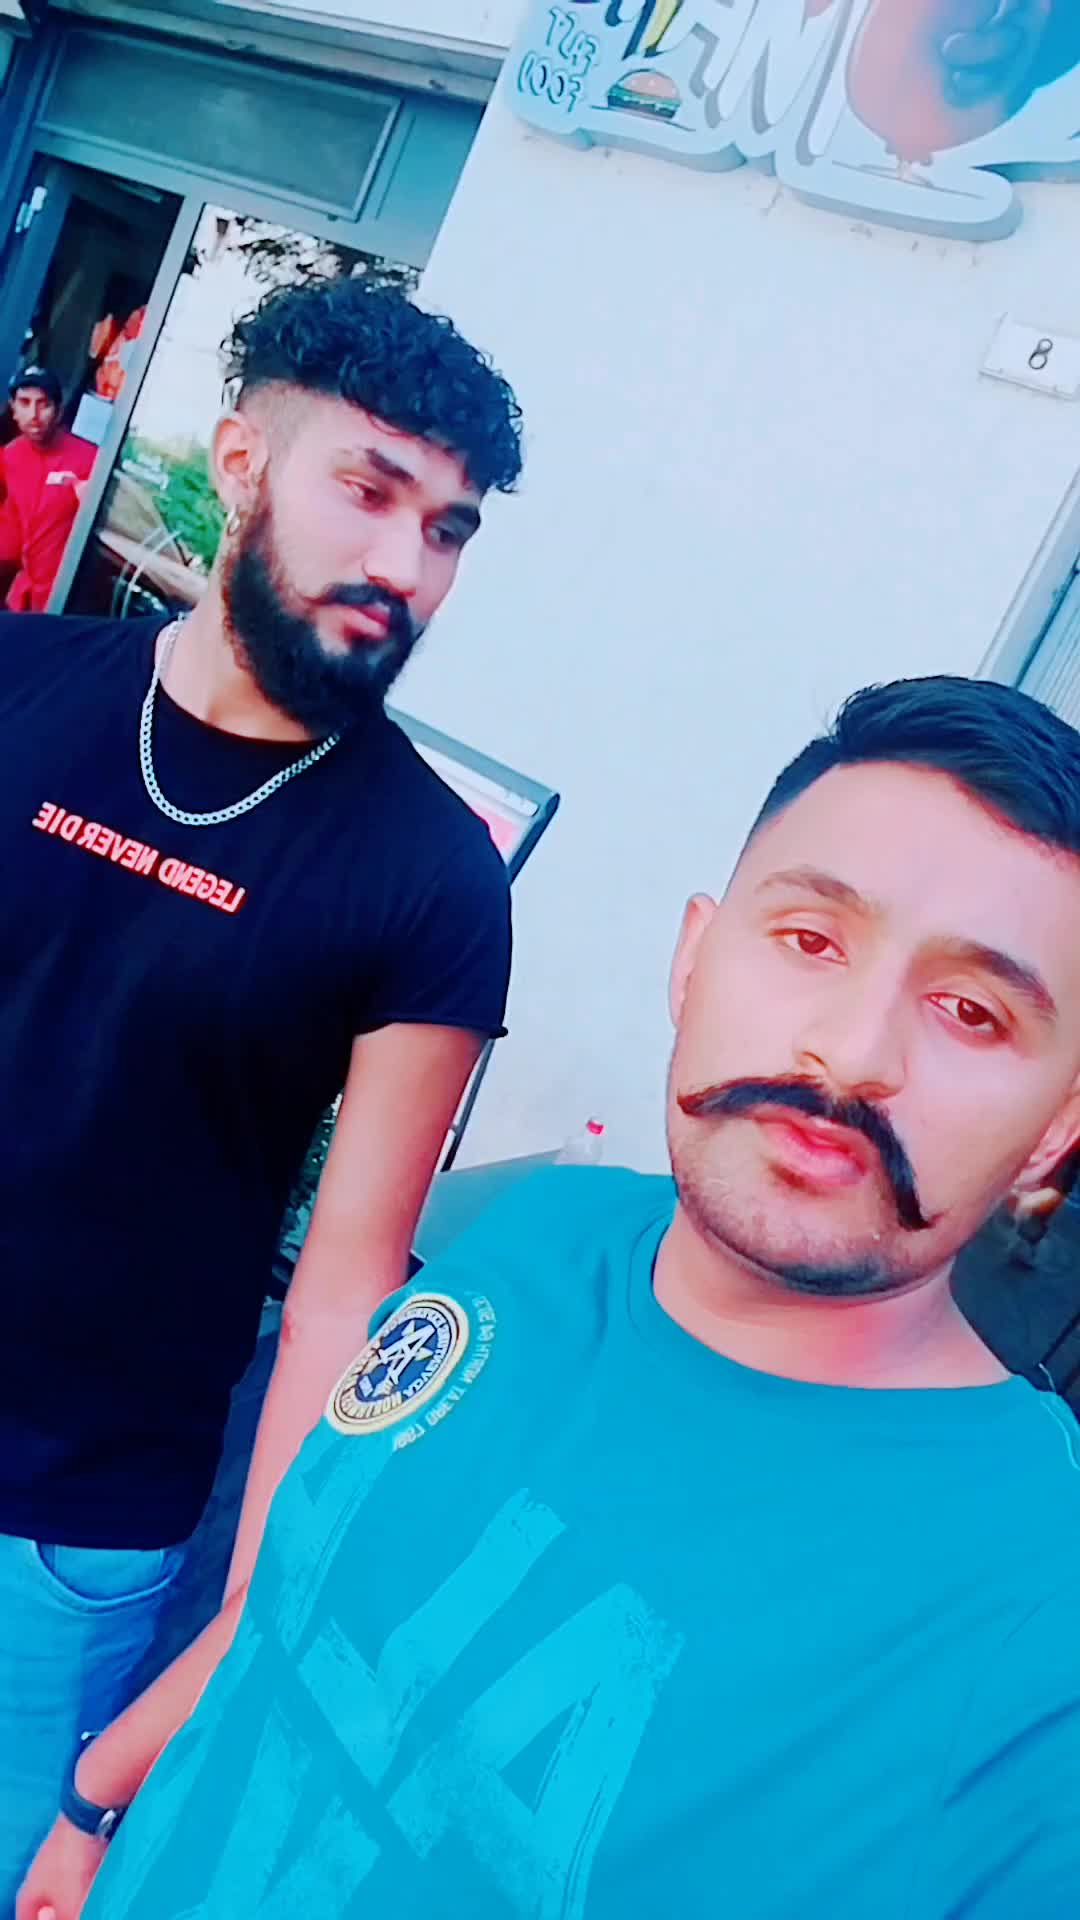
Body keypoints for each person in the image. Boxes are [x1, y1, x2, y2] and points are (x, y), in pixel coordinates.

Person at [21, 674, 1080, 1919]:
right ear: (694, 959)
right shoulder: (531, 1234)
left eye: (970, 1011)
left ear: (1057, 1130)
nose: (850, 1053)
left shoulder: (1033, 1626)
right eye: (811, 940)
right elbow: (297, 1604)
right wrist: (96, 1801)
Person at [0, 277, 523, 1905]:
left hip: (71, 1531)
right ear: (241, 465)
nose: (405, 565)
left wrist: (240, 1627)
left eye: (446, 530)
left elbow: (344, 1289)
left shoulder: (432, 877)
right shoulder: (19, 685)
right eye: (368, 491)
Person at [0, 367, 95, 612]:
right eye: (25, 403)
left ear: (58, 411)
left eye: (43, 404)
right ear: (13, 409)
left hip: (67, 599)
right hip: (23, 598)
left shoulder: (91, 459)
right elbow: (11, 528)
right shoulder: (10, 456)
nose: (33, 415)